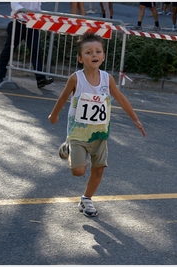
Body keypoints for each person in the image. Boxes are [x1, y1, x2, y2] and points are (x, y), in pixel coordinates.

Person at [48, 32, 146, 217]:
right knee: (78, 171)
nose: (94, 55)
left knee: (99, 170)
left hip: (100, 133)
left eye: (98, 51)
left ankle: (86, 199)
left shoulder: (107, 79)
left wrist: (135, 118)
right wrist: (54, 115)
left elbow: (121, 98)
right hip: (77, 132)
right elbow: (62, 98)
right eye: (89, 52)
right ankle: (69, 148)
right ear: (80, 58)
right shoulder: (76, 78)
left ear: (103, 56)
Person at [0, 2, 54, 89]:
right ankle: (1, 74)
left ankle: (40, 79)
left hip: (31, 25)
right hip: (18, 24)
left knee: (36, 50)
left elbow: (38, 9)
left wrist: (40, 18)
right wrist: (26, 12)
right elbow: (14, 5)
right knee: (9, 49)